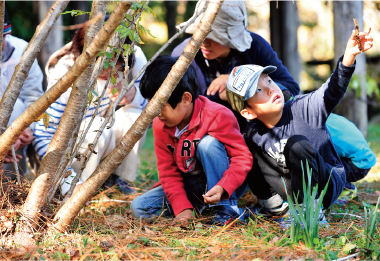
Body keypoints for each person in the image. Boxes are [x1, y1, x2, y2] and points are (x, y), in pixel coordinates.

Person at [225, 28, 373, 225]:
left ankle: (309, 213)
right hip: (289, 185)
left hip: (324, 184)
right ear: (248, 112)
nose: (271, 89)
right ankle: (276, 206)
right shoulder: (254, 132)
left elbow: (332, 90)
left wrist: (348, 57)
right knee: (247, 147)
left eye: (269, 80)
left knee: (297, 145)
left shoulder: (304, 108)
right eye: (259, 90)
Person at [130, 56, 253, 225]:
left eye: (160, 107)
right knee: (140, 207)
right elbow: (168, 172)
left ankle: (226, 209)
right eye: (151, 105)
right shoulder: (160, 125)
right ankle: (200, 208)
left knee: (207, 145)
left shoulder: (217, 115)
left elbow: (242, 157)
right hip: (192, 185)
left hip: (224, 181)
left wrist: (223, 187)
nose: (155, 113)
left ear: (185, 99)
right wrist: (182, 209)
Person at [32, 24, 148, 196]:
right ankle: (81, 187)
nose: (104, 69)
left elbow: (152, 112)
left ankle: (118, 179)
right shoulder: (66, 75)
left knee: (136, 115)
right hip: (70, 155)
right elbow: (43, 133)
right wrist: (67, 180)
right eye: (97, 60)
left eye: (111, 62)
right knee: (96, 127)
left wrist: (134, 96)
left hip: (103, 140)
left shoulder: (134, 58)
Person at [172, 0, 299, 133]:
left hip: (259, 134)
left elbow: (291, 89)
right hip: (205, 135)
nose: (204, 42)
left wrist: (244, 80)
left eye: (212, 37)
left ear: (232, 36)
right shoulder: (183, 55)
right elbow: (179, 109)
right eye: (200, 34)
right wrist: (220, 95)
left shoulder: (255, 46)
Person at [1, 8, 43, 177]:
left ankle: (12, 182)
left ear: (6, 34)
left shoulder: (22, 51)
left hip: (16, 124)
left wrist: (27, 129)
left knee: (16, 107)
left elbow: (33, 97)